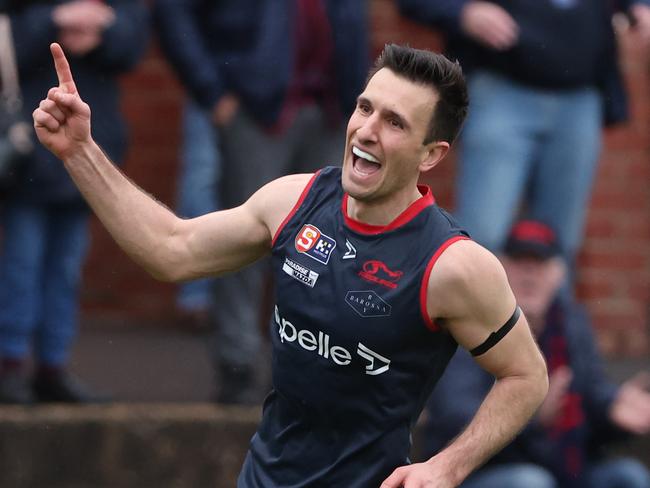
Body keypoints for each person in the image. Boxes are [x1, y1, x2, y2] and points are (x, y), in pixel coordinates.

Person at [33, 42, 548, 487]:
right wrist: (80, 152)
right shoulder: (294, 200)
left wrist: (447, 468)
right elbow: (172, 250)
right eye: (365, 108)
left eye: (394, 123)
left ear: (430, 154)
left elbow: (526, 377)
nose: (367, 131)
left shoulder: (453, 266)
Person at [152, 0, 370, 403]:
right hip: (255, 107)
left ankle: (305, 374)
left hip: (331, 110)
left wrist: (358, 100)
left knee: (324, 252)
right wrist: (212, 93)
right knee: (243, 242)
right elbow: (172, 12)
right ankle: (236, 368)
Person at [397, 0, 650, 276]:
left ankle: (554, 320)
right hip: (501, 88)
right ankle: (468, 316)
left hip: (580, 97)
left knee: (559, 248)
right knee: (481, 238)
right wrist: (461, 11)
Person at [421, 219, 650, 488]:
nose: (530, 272)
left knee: (628, 476)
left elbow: (591, 393)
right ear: (499, 270)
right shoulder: (470, 322)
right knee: (531, 483)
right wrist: (530, 416)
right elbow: (453, 417)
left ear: (559, 275)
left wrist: (613, 408)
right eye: (519, 261)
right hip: (484, 473)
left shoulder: (571, 326)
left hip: (562, 466)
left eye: (540, 263)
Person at [0, 0, 148, 404]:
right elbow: (11, 42)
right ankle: (10, 366)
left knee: (66, 267)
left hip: (89, 145)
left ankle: (52, 367)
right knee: (21, 263)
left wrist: (103, 27)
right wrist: (55, 20)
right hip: (28, 147)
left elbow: (133, 44)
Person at [173, 99, 222, 333]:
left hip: (272, 103)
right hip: (214, 96)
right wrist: (211, 91)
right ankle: (195, 298)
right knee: (201, 187)